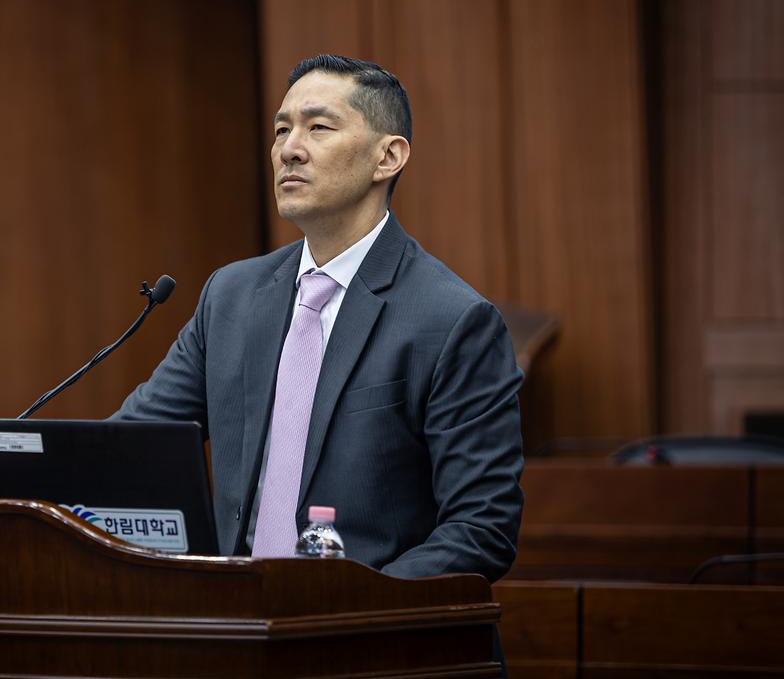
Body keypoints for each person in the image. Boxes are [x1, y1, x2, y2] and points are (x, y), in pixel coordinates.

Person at [114, 54, 524, 582]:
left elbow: (481, 528)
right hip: (235, 615)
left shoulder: (452, 321)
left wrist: (344, 607)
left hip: (364, 624)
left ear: (388, 157)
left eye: (318, 128)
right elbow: (129, 450)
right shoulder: (231, 298)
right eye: (281, 129)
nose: (289, 149)